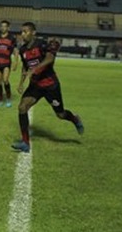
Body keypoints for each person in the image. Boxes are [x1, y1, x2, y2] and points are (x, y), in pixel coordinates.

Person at [11, 22, 84, 153]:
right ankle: (25, 142)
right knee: (22, 107)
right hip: (35, 86)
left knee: (60, 114)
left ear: (33, 32)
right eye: (22, 32)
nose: (23, 34)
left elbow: (50, 59)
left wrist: (35, 69)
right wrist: (21, 83)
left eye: (26, 31)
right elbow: (25, 67)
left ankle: (74, 118)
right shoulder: (23, 50)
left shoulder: (42, 44)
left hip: (50, 85)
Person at [0, 20, 18, 107]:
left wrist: (15, 62)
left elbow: (15, 51)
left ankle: (8, 98)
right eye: (1, 26)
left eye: (5, 26)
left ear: (8, 28)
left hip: (6, 63)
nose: (3, 28)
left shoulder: (11, 38)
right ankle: (0, 99)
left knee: (5, 80)